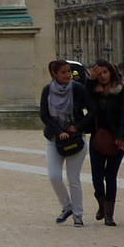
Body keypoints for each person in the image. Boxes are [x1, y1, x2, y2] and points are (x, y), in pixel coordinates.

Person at [39, 59, 93, 227]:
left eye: (69, 71)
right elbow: (44, 115)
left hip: (76, 137)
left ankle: (78, 214)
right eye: (63, 72)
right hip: (55, 138)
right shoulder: (47, 90)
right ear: (54, 74)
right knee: (54, 176)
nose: (68, 75)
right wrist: (58, 131)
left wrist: (76, 127)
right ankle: (66, 206)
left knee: (73, 178)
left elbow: (92, 110)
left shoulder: (78, 89)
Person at [86, 60, 124, 227]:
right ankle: (101, 204)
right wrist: (90, 80)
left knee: (110, 176)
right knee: (96, 176)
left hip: (116, 137)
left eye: (105, 72)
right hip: (98, 135)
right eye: (99, 73)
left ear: (111, 73)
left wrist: (121, 137)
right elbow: (85, 96)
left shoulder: (122, 91)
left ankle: (109, 214)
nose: (102, 76)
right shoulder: (94, 91)